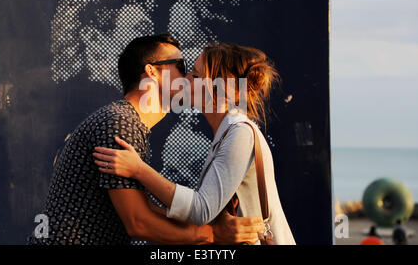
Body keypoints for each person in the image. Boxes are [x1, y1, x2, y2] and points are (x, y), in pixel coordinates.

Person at [28, 35, 264, 245]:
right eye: (181, 67)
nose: (188, 77)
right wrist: (212, 235)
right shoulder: (119, 123)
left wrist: (209, 230)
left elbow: (148, 210)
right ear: (151, 72)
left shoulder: (126, 122)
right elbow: (139, 223)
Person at [94, 43, 296, 244]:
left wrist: (139, 170)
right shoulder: (227, 132)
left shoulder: (240, 133)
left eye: (195, 75)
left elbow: (201, 210)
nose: (186, 79)